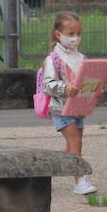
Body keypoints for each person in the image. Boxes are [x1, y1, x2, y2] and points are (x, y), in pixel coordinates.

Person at [39, 11, 97, 195]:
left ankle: (46, 165)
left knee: (73, 145)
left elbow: (86, 80)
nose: (75, 38)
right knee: (75, 142)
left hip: (78, 108)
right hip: (61, 109)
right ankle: (80, 180)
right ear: (58, 34)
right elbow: (47, 85)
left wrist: (95, 89)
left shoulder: (82, 58)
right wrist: (65, 88)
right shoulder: (53, 59)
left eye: (78, 33)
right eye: (71, 34)